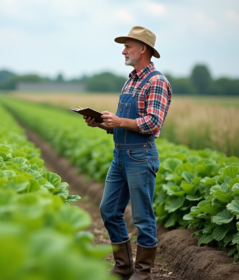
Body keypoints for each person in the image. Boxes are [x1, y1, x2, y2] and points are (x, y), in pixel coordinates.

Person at [84, 26, 172, 280]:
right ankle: (123, 265)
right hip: (120, 156)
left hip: (140, 157)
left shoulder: (156, 81)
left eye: (128, 46)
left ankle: (143, 272)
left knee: (143, 217)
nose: (123, 51)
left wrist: (119, 121)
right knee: (108, 210)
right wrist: (101, 123)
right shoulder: (131, 80)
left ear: (143, 49)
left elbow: (153, 123)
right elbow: (125, 122)